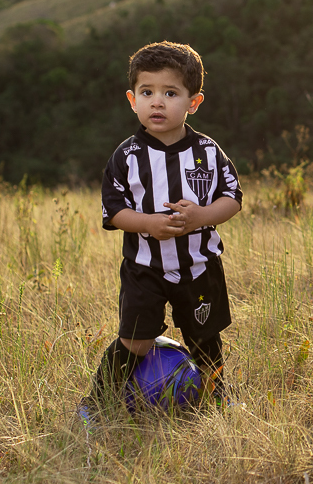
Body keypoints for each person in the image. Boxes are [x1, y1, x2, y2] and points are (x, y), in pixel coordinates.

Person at [80, 41, 242, 422]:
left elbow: (233, 197)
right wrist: (149, 224)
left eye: (170, 93)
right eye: (147, 92)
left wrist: (201, 216)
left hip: (198, 265)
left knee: (204, 339)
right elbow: (113, 210)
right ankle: (96, 403)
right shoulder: (126, 157)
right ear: (132, 99)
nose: (157, 102)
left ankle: (219, 400)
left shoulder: (207, 152)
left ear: (193, 102)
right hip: (144, 268)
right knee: (135, 339)